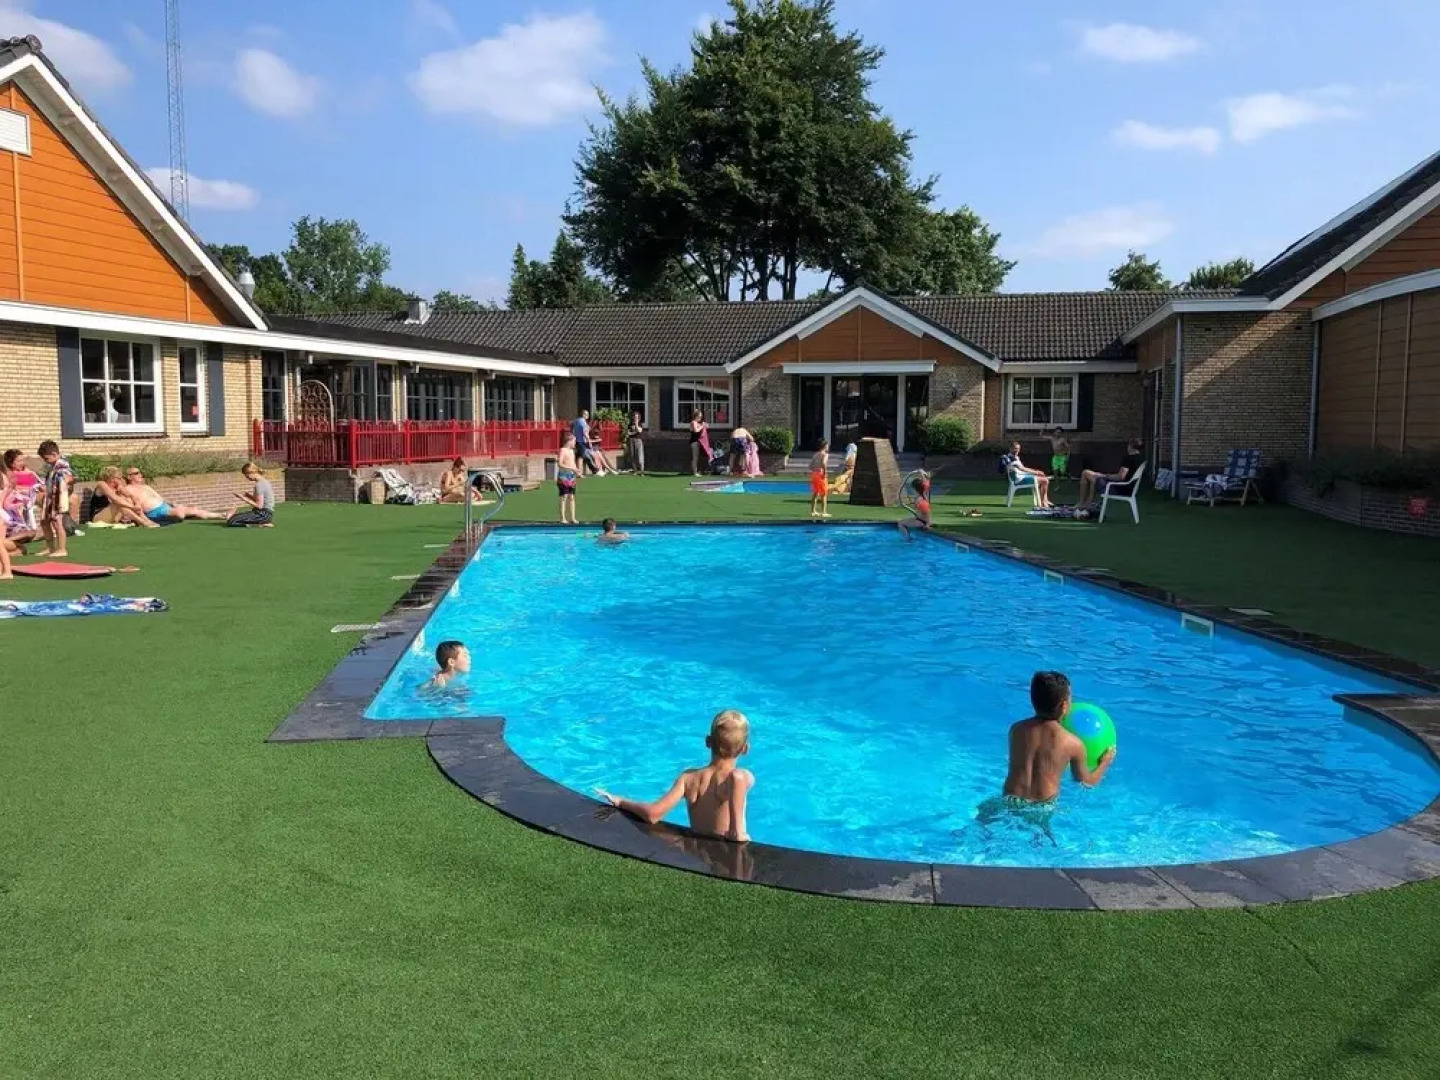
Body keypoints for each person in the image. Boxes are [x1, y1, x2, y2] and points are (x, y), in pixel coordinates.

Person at [595, 709, 754, 843]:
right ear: (745, 749)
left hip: (698, 857)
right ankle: (737, 831)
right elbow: (737, 777)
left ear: (707, 742)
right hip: (727, 856)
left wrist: (622, 801)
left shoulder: (688, 778)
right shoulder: (739, 777)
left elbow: (652, 814)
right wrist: (737, 833)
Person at [997, 671, 1115, 809]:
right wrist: (1105, 762)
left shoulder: (1016, 730)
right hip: (1041, 807)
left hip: (1010, 799)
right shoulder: (1073, 744)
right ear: (1064, 706)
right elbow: (1086, 783)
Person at [123, 467, 224, 523]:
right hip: (154, 513)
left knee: (193, 509)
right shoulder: (128, 489)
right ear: (129, 477)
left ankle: (222, 515)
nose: (140, 475)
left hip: (165, 507)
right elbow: (129, 506)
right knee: (180, 513)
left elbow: (161, 499)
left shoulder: (146, 487)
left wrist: (173, 503)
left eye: (140, 472)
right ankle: (182, 514)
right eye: (136, 473)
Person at [1077, 438, 1144, 508]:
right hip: (1129, 489)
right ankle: (1088, 504)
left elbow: (1120, 477)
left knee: (1085, 473)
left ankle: (1081, 503)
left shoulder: (1128, 459)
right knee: (1094, 478)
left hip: (1118, 489)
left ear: (1130, 446)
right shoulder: (1141, 459)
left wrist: (1105, 475)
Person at [89, 466, 157, 529]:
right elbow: (115, 499)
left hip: (113, 516)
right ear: (112, 478)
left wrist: (137, 504)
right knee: (119, 503)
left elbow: (131, 496)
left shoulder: (118, 486)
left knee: (127, 499)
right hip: (97, 518)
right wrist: (133, 507)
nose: (121, 479)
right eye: (119, 478)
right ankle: (142, 522)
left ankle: (146, 519)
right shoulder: (102, 484)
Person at [37, 439, 72, 558]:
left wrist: (65, 484)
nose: (45, 461)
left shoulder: (62, 465)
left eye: (46, 458)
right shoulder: (52, 466)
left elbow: (69, 477)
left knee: (57, 522)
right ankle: (50, 547)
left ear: (54, 454)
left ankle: (62, 549)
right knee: (44, 521)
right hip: (50, 497)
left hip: (58, 498)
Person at [1001, 441, 1052, 509]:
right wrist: (1037, 472)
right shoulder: (1012, 458)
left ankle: (1045, 500)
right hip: (1019, 480)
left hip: (1019, 476)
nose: (1017, 450)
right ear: (1010, 448)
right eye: (1015, 448)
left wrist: (1037, 472)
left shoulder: (1012, 456)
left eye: (1018, 449)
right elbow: (1023, 469)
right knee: (1045, 480)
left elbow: (1022, 469)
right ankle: (1043, 502)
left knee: (1043, 477)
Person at [228, 463, 276, 527]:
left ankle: (261, 524)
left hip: (262, 514)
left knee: (232, 521)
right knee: (233, 518)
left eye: (247, 476)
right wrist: (248, 496)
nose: (247, 478)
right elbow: (258, 501)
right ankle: (261, 523)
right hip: (264, 514)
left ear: (252, 472)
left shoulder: (259, 485)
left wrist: (243, 498)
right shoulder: (263, 481)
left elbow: (259, 506)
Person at [897, 471, 932, 540]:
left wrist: (928, 524)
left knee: (901, 524)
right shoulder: (923, 492)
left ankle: (908, 540)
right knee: (902, 520)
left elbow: (926, 512)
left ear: (914, 489)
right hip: (920, 519)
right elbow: (926, 482)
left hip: (922, 521)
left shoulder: (920, 501)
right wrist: (921, 473)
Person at [572, 410, 605, 477]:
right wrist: (589, 441)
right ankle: (580, 474)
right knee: (581, 457)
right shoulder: (583, 422)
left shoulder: (576, 421)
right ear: (583, 415)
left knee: (582, 457)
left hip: (577, 441)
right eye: (587, 414)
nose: (588, 416)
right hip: (581, 442)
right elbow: (585, 433)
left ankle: (594, 471)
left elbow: (572, 430)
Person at [556, 434, 580, 525]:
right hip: (564, 476)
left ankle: (573, 518)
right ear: (569, 441)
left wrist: (577, 471)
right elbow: (560, 464)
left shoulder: (572, 451)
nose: (575, 443)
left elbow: (573, 463)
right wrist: (571, 468)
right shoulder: (563, 450)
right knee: (564, 496)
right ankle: (563, 518)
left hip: (571, 476)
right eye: (574, 441)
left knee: (572, 497)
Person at [809, 439, 830, 519]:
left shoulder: (815, 454)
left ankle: (813, 511)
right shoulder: (825, 454)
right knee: (823, 494)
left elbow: (810, 466)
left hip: (814, 474)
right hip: (821, 474)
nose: (828, 446)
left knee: (815, 493)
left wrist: (815, 470)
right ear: (824, 446)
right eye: (827, 445)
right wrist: (825, 472)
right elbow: (824, 463)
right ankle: (824, 512)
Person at [689, 410, 709, 476]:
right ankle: (695, 472)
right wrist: (702, 426)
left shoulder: (698, 423)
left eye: (701, 417)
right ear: (696, 416)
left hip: (699, 442)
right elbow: (696, 430)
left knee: (697, 457)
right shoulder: (693, 422)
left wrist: (705, 425)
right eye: (699, 416)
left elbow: (706, 427)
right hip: (694, 442)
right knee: (695, 457)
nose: (700, 418)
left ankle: (696, 471)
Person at [626, 411, 646, 476]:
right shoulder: (630, 425)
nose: (635, 418)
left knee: (640, 457)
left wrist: (636, 424)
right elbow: (628, 433)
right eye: (634, 417)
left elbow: (639, 430)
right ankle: (635, 471)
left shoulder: (640, 424)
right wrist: (634, 432)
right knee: (632, 456)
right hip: (631, 441)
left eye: (637, 417)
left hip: (638, 441)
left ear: (639, 418)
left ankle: (642, 472)